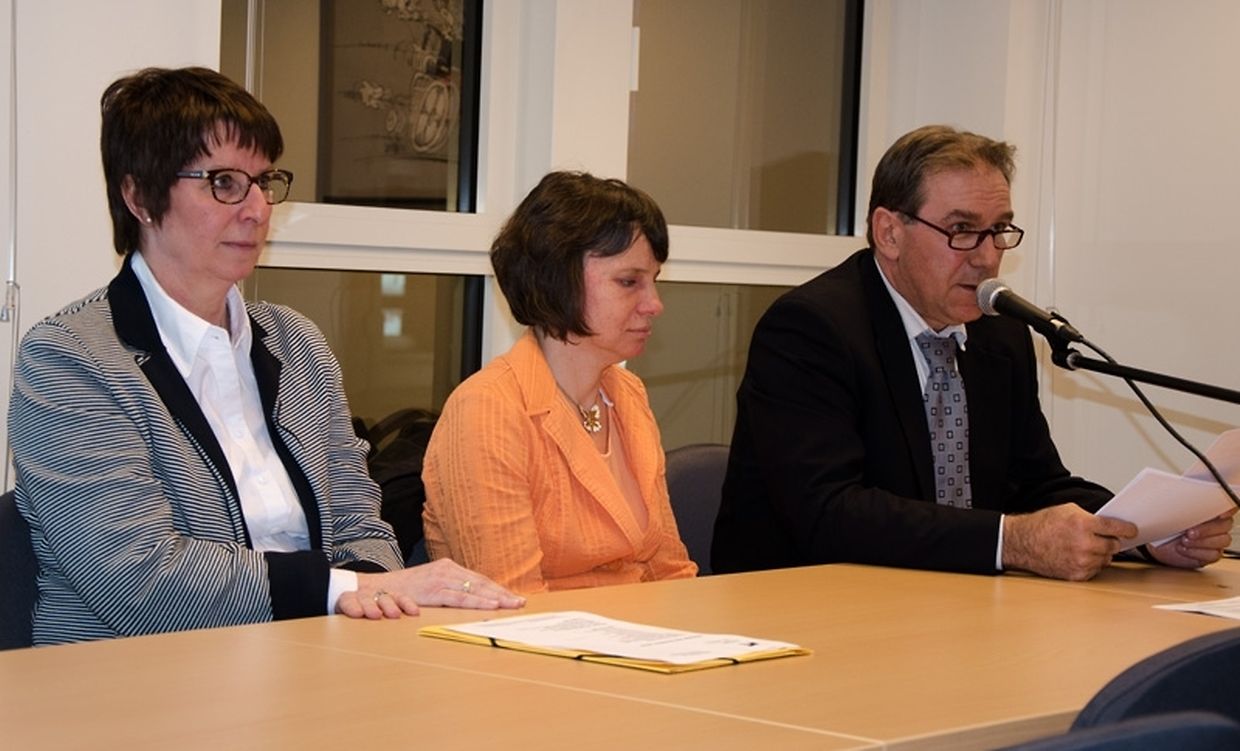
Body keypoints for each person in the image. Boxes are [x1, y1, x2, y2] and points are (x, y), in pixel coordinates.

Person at [7, 67, 522, 646]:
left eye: (263, 181)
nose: (257, 208)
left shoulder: (294, 341)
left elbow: (361, 522)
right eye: (224, 183)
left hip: (314, 653)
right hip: (135, 676)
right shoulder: (70, 358)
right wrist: (341, 590)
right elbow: (138, 582)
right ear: (139, 197)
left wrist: (367, 594)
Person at [712, 124, 1234, 581]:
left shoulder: (999, 334)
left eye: (999, 229)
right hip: (803, 606)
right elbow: (828, 513)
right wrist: (1013, 541)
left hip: (949, 602)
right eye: (962, 230)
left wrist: (1145, 535)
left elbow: (1036, 484)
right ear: (889, 233)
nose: (987, 258)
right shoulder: (811, 329)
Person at [421, 171, 698, 594]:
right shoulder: (488, 409)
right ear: (557, 279)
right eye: (629, 282)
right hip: (541, 633)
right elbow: (513, 601)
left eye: (654, 281)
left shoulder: (626, 394)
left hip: (637, 628)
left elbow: (671, 571)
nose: (654, 304)